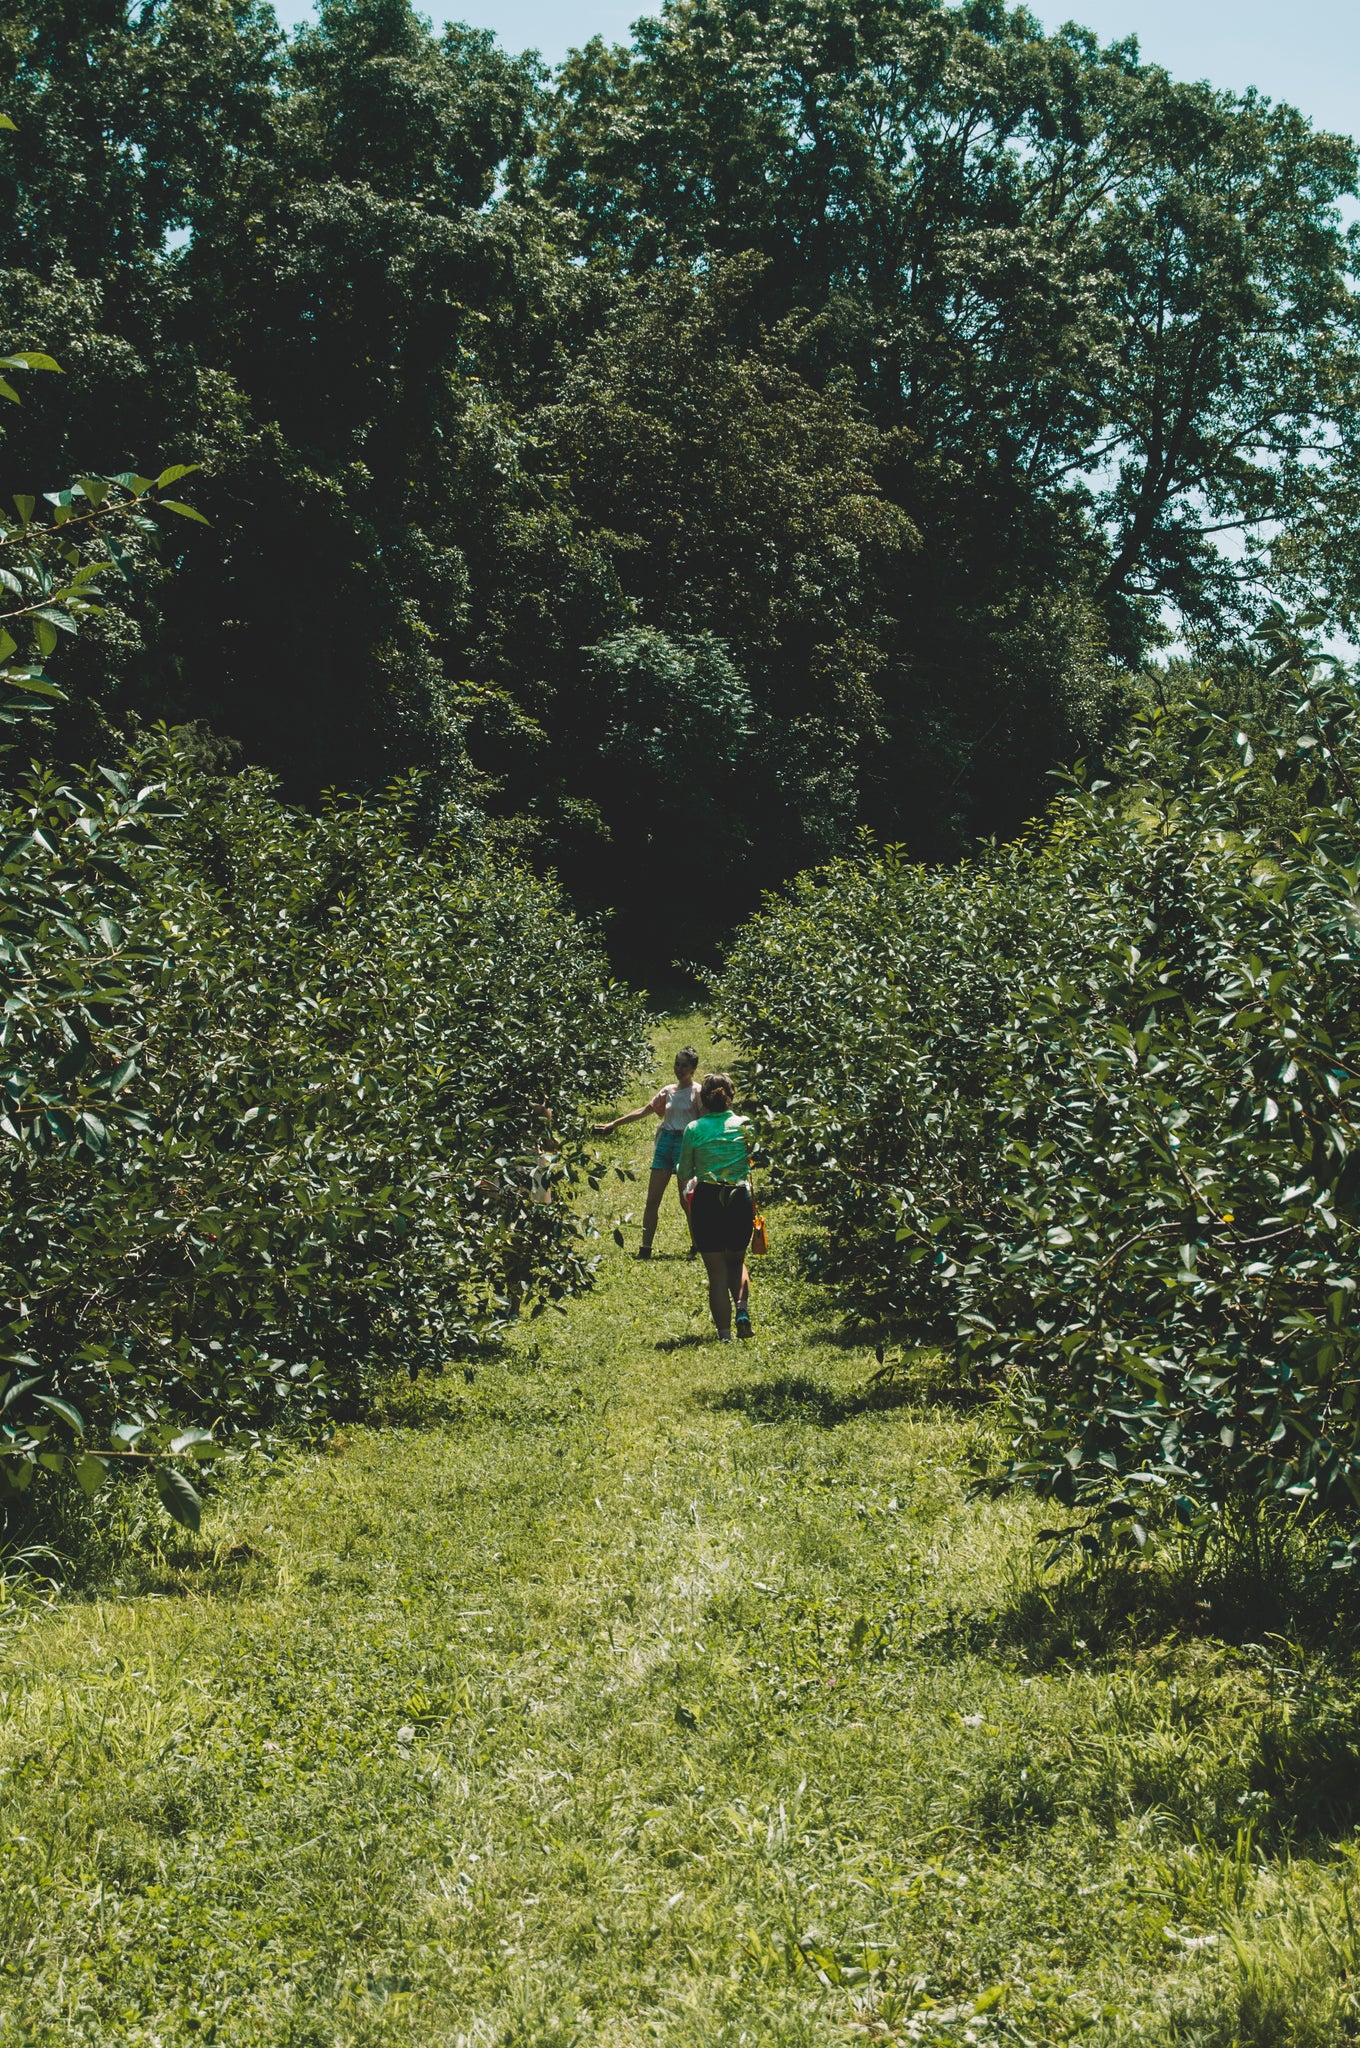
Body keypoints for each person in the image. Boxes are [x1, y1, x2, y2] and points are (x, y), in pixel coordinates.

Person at [594, 1046, 702, 1259]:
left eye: (684, 1066)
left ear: (693, 1068)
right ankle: (645, 1248)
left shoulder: (698, 1092)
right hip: (666, 1142)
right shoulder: (668, 1090)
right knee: (652, 1200)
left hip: (686, 1143)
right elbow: (644, 1110)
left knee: (687, 1199)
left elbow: (704, 1120)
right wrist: (613, 1124)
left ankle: (697, 1245)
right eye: (677, 1064)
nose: (679, 1069)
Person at [678, 1072, 754, 1341]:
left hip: (708, 1198)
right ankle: (742, 1310)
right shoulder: (744, 1124)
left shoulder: (695, 1129)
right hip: (738, 1198)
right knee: (737, 1261)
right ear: (731, 1096)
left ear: (703, 1099)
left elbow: (685, 1171)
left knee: (717, 1273)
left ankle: (724, 1336)